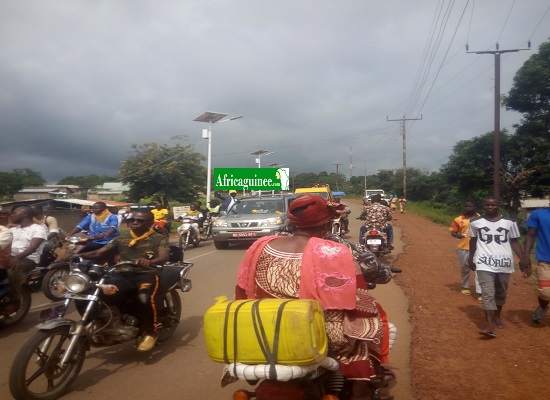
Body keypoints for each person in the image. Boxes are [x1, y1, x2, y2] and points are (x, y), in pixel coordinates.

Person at [233, 194, 392, 399]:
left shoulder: (260, 245)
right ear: (326, 224)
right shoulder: (334, 250)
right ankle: (361, 388)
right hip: (318, 333)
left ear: (291, 222)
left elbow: (242, 290)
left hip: (262, 327)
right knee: (367, 326)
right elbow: (357, 298)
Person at [76, 210, 170, 352]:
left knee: (144, 298)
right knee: (92, 292)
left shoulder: (158, 238)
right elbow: (99, 252)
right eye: (132, 220)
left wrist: (150, 261)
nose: (135, 222)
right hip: (121, 273)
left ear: (150, 223)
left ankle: (150, 332)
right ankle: (101, 322)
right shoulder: (121, 238)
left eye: (140, 220)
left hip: (146, 273)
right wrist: (76, 255)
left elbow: (164, 257)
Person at [467, 196, 527, 338]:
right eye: (487, 205)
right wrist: (471, 258)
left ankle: (497, 317)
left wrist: (523, 259)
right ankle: (489, 324)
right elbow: (473, 241)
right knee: (487, 293)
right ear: (483, 206)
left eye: (493, 205)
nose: (490, 207)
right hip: (483, 262)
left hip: (504, 263)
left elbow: (515, 242)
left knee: (501, 293)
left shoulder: (509, 222)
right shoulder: (475, 222)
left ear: (498, 206)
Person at [8, 206, 47, 298]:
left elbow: (32, 248)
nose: (11, 215)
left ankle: (15, 298)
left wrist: (17, 258)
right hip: (10, 257)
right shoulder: (13, 229)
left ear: (25, 214)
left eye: (14, 213)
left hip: (28, 259)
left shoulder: (38, 229)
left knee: (11, 270)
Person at [521, 207, 549, 324]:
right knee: (545, 292)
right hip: (546, 260)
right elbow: (531, 235)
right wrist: (526, 256)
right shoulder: (539, 214)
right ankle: (543, 307)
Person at [449, 201, 482, 302]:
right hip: (463, 247)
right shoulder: (459, 219)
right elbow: (453, 231)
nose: (468, 208)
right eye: (466, 206)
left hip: (478, 248)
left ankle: (480, 292)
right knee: (465, 269)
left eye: (470, 206)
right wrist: (458, 235)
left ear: (474, 207)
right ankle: (465, 287)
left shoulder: (481, 218)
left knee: (479, 270)